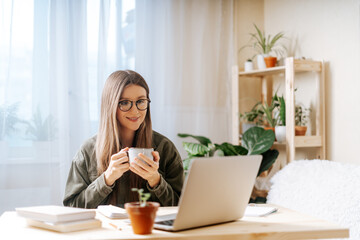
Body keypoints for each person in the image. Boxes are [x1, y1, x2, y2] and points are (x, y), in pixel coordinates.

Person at [63, 70, 184, 208]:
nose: (135, 111)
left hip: (150, 229)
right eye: (125, 103)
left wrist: (155, 180)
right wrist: (107, 179)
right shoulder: (88, 151)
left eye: (140, 101)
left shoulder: (165, 148)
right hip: (105, 230)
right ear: (111, 105)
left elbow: (181, 208)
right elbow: (71, 207)